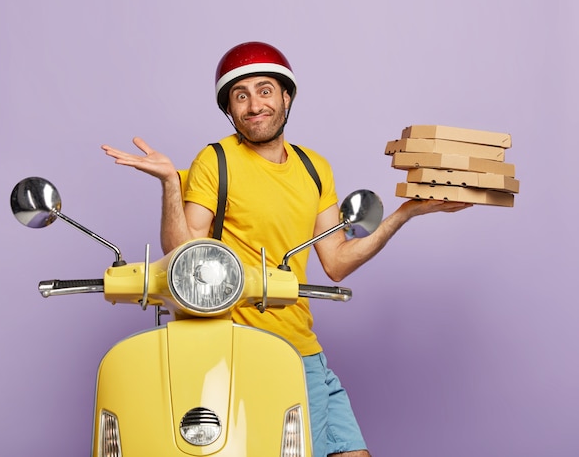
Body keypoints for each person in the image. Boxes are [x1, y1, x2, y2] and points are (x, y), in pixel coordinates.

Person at [102, 41, 471, 457]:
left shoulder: (315, 168)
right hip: (238, 346)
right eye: (240, 96)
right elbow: (183, 252)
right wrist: (171, 184)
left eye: (264, 90)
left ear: (286, 97)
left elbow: (335, 261)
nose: (254, 104)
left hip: (302, 347)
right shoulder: (216, 161)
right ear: (230, 110)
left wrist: (404, 214)